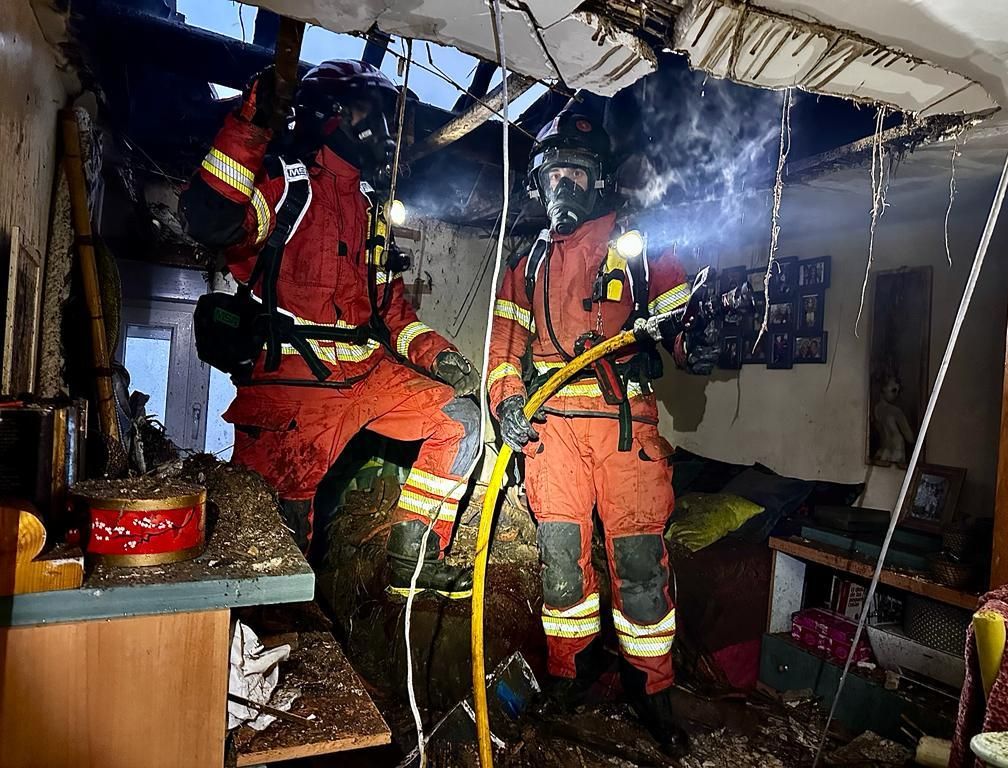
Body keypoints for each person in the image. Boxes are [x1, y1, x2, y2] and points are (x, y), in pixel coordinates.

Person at [180, 60, 481, 599]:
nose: (388, 131)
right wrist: (251, 124)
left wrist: (438, 356)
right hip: (293, 385)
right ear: (336, 115)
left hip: (365, 375)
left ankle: (412, 560)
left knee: (460, 420)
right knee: (277, 548)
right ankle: (268, 636)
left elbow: (391, 312)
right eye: (376, 113)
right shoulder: (287, 186)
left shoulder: (370, 210)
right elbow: (210, 221)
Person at [486, 110, 718, 757]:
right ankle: (572, 671)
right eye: (554, 172)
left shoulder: (638, 246)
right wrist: (506, 401)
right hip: (552, 434)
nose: (565, 183)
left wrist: (697, 339)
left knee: (640, 566)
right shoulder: (527, 261)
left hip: (625, 431)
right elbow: (504, 348)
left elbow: (681, 325)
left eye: (577, 172)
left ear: (600, 179)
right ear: (539, 182)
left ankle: (651, 691)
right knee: (561, 563)